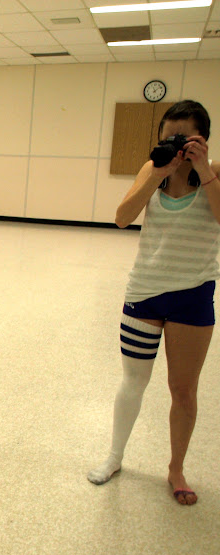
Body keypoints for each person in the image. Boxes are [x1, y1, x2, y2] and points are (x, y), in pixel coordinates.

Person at [88, 100, 220, 505]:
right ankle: (114, 457)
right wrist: (157, 174)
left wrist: (204, 171)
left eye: (185, 138)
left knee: (183, 390)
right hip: (144, 292)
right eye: (168, 138)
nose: (176, 145)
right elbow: (122, 217)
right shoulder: (153, 170)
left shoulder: (215, 173)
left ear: (203, 139)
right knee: (133, 381)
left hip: (193, 296)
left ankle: (176, 468)